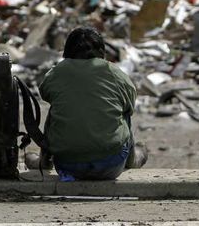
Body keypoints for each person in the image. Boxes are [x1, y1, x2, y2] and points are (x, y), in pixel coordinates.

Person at [35, 26, 147, 181]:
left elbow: (45, 93)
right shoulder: (114, 72)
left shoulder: (56, 73)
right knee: (123, 111)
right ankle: (131, 159)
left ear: (67, 52)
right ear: (102, 52)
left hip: (66, 164)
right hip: (111, 164)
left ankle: (45, 160)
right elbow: (130, 104)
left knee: (57, 107)